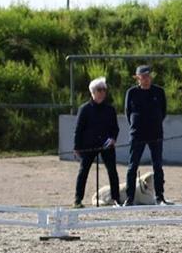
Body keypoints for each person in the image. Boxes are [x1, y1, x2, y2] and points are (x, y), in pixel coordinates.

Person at [124, 64, 171, 205]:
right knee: (132, 166)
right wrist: (135, 125)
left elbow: (163, 111)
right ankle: (129, 197)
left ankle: (159, 196)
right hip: (137, 134)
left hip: (155, 133)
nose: (146, 79)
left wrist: (155, 123)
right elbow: (128, 112)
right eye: (143, 76)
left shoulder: (159, 92)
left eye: (148, 75)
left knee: (157, 165)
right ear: (137, 78)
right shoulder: (131, 92)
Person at [72, 77, 122, 208]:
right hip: (88, 146)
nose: (102, 93)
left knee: (112, 171)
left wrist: (113, 138)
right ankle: (78, 200)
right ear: (92, 92)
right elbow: (78, 129)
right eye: (99, 90)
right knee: (83, 171)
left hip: (107, 145)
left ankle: (116, 199)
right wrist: (77, 147)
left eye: (104, 90)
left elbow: (115, 128)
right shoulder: (84, 109)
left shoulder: (110, 109)